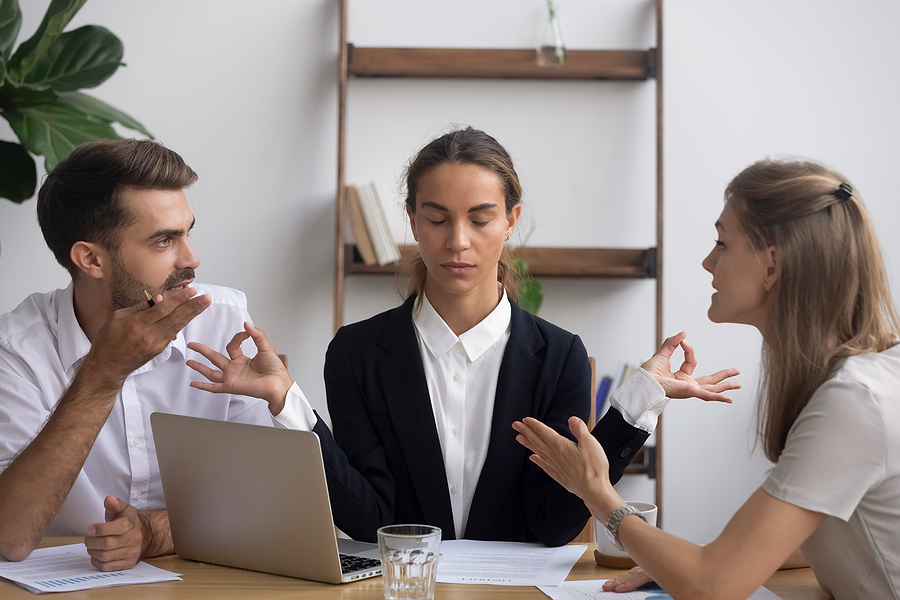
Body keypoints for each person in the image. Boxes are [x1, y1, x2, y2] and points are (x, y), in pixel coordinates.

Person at [188, 126, 739, 546]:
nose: (457, 241)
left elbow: (553, 522)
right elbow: (367, 519)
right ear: (411, 221)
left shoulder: (559, 356)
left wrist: (638, 403)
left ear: (511, 220)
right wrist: (287, 402)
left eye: (480, 219)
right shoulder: (357, 353)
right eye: (436, 218)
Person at [514, 159, 900, 599]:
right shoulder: (857, 380)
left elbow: (713, 587)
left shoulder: (853, 402)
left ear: (772, 265)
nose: (706, 261)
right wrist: (677, 562)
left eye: (722, 243)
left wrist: (598, 493)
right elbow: (802, 541)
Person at [0, 139, 306, 570]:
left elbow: (267, 500)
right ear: (90, 259)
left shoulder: (222, 320)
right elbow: (9, 536)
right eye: (164, 241)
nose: (192, 259)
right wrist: (103, 373)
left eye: (187, 232)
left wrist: (152, 532)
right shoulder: (16, 351)